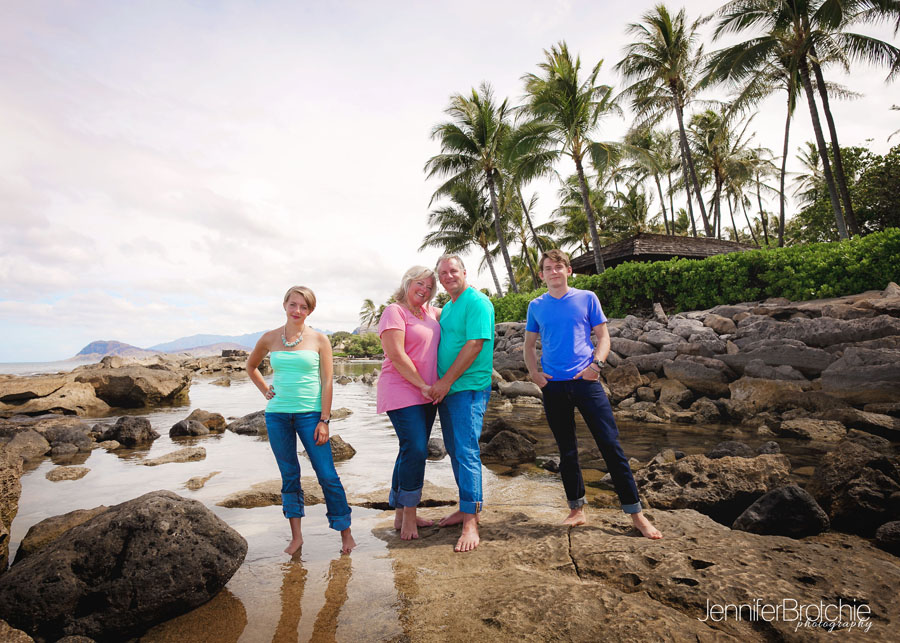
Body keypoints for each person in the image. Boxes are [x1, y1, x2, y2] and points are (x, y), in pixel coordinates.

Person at [523, 250, 662, 539]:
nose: (553, 272)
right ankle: (576, 510)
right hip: (554, 387)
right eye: (548, 268)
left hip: (586, 383)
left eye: (558, 267)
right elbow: (528, 345)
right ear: (541, 275)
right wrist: (535, 375)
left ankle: (636, 514)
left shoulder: (587, 298)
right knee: (567, 449)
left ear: (568, 270)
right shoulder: (536, 306)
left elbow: (603, 336)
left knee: (610, 446)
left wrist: (596, 366)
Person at [247, 286, 356, 555]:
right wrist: (265, 390)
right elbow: (250, 366)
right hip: (277, 416)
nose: (297, 311)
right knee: (289, 476)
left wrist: (325, 420)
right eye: (293, 304)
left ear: (310, 311)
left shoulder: (320, 340)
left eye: (303, 307)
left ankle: (346, 535)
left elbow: (328, 381)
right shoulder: (269, 338)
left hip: (311, 416)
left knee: (327, 475)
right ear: (284, 304)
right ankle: (296, 538)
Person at [429, 254, 494, 552]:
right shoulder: (450, 308)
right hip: (450, 391)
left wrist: (445, 381)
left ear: (464, 272)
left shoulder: (477, 302)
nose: (448, 276)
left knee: (466, 451)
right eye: (442, 273)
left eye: (453, 271)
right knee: (454, 450)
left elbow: (474, 344)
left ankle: (471, 522)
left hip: (466, 389)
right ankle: (466, 507)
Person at [377, 266, 442, 540]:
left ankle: (400, 513)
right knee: (416, 449)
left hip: (427, 393)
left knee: (408, 449)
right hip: (402, 389)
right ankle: (409, 518)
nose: (424, 290)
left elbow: (461, 308)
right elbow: (398, 355)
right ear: (406, 283)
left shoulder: (431, 313)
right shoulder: (395, 311)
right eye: (419, 284)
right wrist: (423, 386)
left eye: (429, 286)